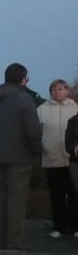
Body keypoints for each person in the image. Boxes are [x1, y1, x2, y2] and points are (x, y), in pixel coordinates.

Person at [0, 63, 42, 249]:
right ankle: (15, 244)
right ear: (23, 79)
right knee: (16, 201)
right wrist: (37, 150)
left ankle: (0, 242)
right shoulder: (24, 100)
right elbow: (32, 131)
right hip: (19, 158)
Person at [37, 79, 78, 237]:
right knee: (57, 195)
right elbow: (37, 133)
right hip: (51, 158)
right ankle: (59, 227)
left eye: (60, 89)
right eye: (54, 89)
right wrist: (43, 148)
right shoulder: (42, 109)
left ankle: (75, 226)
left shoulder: (75, 108)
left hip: (72, 159)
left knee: (74, 194)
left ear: (67, 91)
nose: (57, 92)